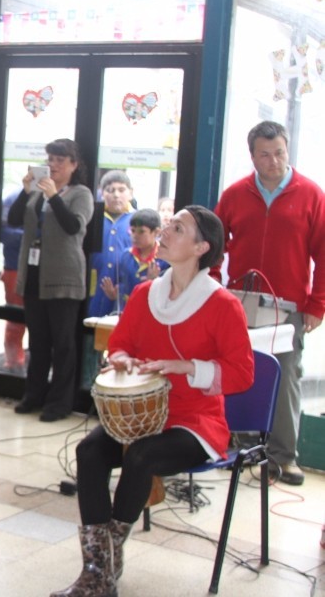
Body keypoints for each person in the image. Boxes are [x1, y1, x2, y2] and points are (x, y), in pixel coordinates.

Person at [53, 206, 254, 597]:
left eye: (178, 228)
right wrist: (122, 358)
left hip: (194, 421)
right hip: (142, 418)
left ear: (201, 247)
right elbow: (122, 343)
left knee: (141, 456)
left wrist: (185, 366)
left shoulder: (222, 304)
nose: (165, 231)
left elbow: (243, 374)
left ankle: (103, 567)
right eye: (168, 224)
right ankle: (98, 568)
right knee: (89, 450)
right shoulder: (147, 294)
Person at [214, 120, 325, 487]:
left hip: (289, 303)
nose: (274, 161)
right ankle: (243, 445)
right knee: (243, 371)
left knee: (286, 376)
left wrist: (316, 304)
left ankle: (282, 457)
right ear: (253, 156)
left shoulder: (311, 194)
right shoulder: (234, 195)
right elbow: (212, 242)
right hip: (240, 302)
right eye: (265, 154)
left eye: (279, 152)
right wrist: (213, 285)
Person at [11, 140, 94, 421]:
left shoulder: (80, 193)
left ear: (74, 164)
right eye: (51, 159)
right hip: (35, 275)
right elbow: (12, 219)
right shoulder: (38, 190)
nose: (54, 165)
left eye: (61, 160)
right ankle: (33, 395)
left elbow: (74, 226)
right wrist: (26, 192)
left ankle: (60, 403)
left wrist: (54, 196)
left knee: (63, 345)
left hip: (64, 277)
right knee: (38, 342)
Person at [101, 208, 169, 310]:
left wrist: (153, 282)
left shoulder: (164, 259)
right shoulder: (126, 256)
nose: (135, 236)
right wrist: (115, 295)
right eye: (132, 231)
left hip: (152, 312)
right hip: (127, 311)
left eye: (141, 232)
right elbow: (123, 286)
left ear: (156, 232)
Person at [88, 170, 135, 318]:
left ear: (131, 193)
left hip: (125, 289)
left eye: (121, 190)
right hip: (94, 285)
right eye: (110, 190)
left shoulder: (138, 220)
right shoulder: (93, 218)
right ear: (102, 193)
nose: (116, 195)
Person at [0, 189, 27, 374]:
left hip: (47, 270)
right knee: (15, 317)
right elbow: (2, 231)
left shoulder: (59, 197)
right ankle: (13, 364)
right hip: (14, 266)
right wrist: (29, 236)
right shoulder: (13, 198)